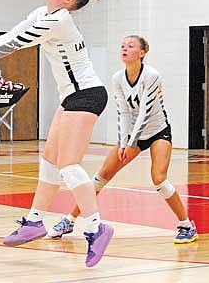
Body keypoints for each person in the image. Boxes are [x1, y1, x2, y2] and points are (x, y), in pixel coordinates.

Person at [0, 0, 113, 267]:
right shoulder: (42, 13)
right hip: (71, 96)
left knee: (69, 165)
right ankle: (34, 221)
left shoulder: (59, 21)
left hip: (87, 95)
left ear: (68, 0)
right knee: (50, 161)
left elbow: (18, 42)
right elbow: (11, 33)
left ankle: (96, 227)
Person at [47, 35, 198, 244]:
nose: (124, 49)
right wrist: (124, 142)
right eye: (122, 46)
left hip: (157, 131)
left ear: (143, 52)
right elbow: (123, 113)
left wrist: (130, 143)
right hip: (132, 135)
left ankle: (186, 225)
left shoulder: (151, 75)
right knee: (102, 175)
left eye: (131, 46)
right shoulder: (118, 77)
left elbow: (145, 113)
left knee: (159, 178)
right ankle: (69, 220)